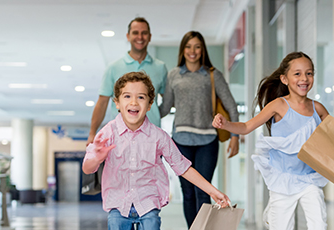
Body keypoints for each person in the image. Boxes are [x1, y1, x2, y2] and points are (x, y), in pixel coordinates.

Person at [212, 52, 334, 229]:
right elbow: (246, 127)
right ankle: (272, 211)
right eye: (297, 73)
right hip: (283, 180)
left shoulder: (317, 108)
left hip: (308, 179)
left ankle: (273, 212)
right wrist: (226, 124)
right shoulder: (278, 105)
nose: (304, 78)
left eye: (309, 73)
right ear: (284, 79)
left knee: (319, 223)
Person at [83, 71, 231, 230]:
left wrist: (213, 191)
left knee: (152, 222)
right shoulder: (108, 133)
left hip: (148, 203)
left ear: (149, 104)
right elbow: (87, 168)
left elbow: (183, 167)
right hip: (118, 204)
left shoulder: (158, 136)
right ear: (117, 103)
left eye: (140, 97)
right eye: (127, 96)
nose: (134, 102)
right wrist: (96, 158)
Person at [159, 31, 240, 227]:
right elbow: (164, 108)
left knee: (203, 191)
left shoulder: (213, 75)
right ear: (183, 50)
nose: (192, 51)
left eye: (197, 46)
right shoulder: (173, 75)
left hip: (207, 141)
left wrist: (235, 136)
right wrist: (140, 109)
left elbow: (231, 106)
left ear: (202, 49)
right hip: (180, 141)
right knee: (187, 192)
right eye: (188, 46)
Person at [87, 17, 167, 145]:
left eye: (144, 33)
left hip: (152, 137)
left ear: (150, 36)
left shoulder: (160, 67)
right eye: (135, 33)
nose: (140, 37)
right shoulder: (113, 68)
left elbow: (167, 100)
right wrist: (92, 133)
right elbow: (102, 103)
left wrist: (155, 114)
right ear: (128, 36)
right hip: (120, 137)